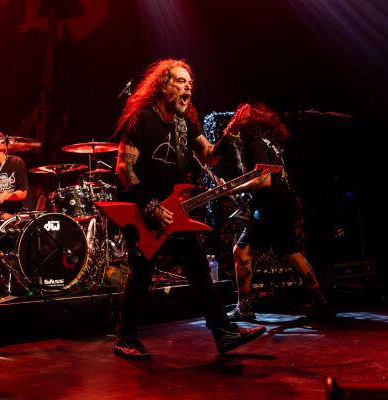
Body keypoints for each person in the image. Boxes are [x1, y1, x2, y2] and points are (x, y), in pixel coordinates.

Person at [113, 59, 266, 359]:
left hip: (174, 212)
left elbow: (210, 156)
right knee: (141, 274)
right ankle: (125, 338)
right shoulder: (141, 119)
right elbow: (124, 169)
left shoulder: (184, 124)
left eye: (190, 83)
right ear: (162, 86)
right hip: (142, 212)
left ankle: (223, 332)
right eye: (181, 81)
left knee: (197, 268)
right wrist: (150, 206)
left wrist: (231, 131)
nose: (188, 88)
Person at [224, 102, 333, 321]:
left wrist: (232, 189)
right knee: (292, 252)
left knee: (241, 251)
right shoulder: (268, 144)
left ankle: (244, 307)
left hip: (270, 207)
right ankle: (321, 302)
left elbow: (264, 181)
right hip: (284, 203)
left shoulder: (253, 144)